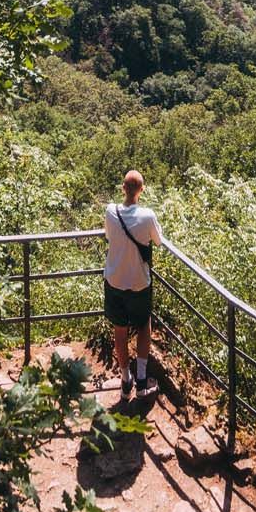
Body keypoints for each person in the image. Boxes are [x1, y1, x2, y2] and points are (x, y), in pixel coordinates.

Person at [103, 169, 163, 400]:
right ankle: (141, 379)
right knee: (143, 327)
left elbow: (109, 236)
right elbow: (157, 241)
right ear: (142, 190)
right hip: (139, 283)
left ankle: (125, 380)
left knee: (120, 330)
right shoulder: (148, 216)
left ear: (123, 188)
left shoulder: (111, 211)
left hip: (115, 281)